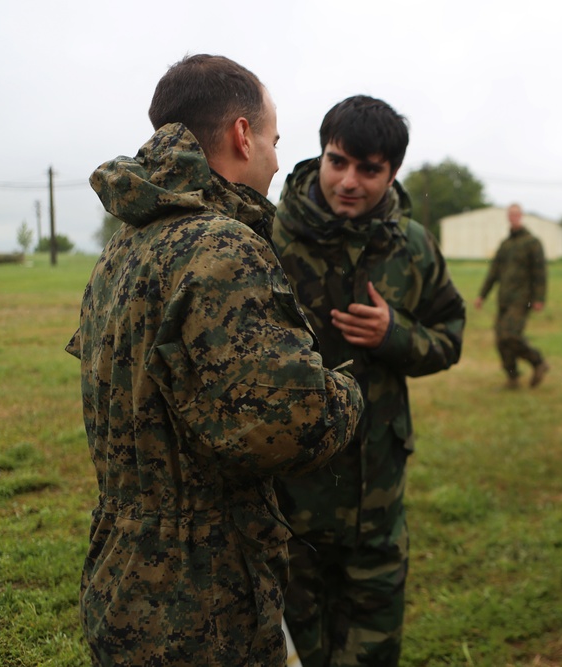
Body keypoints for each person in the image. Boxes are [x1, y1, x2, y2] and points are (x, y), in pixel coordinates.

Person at [65, 54, 363, 666]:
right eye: (275, 140)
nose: (279, 161)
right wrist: (346, 394)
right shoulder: (219, 246)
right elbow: (287, 427)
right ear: (241, 134)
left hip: (123, 577)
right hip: (202, 603)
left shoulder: (129, 242)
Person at [271, 95, 466, 666]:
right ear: (322, 155)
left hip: (375, 499)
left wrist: (394, 336)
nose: (349, 181)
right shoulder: (269, 238)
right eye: (337, 162)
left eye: (369, 169)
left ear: (393, 172)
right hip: (291, 500)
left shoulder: (412, 246)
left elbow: (450, 335)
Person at [475, 203, 549, 388]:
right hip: (504, 299)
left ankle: (538, 362)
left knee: (510, 335)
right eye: (511, 215)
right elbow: (493, 272)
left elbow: (540, 272)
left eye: (516, 214)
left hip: (522, 299)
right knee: (500, 340)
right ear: (508, 217)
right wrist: (482, 295)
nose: (513, 217)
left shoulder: (532, 242)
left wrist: (539, 298)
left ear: (521, 216)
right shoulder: (505, 245)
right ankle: (512, 378)